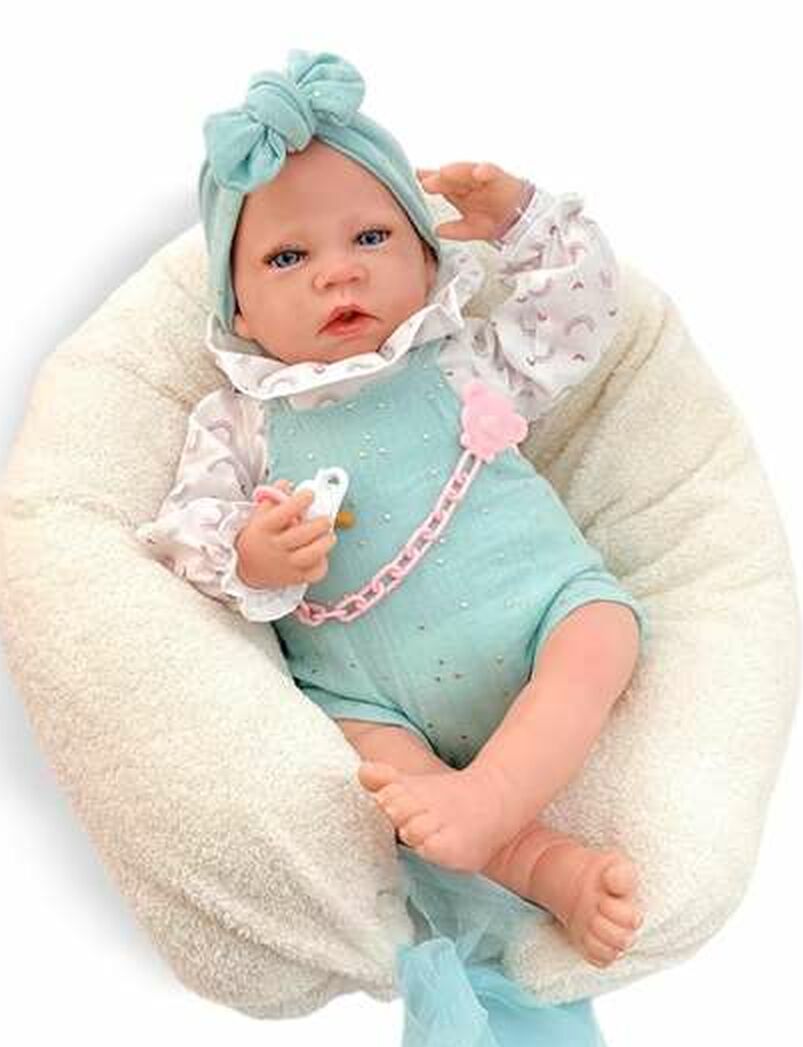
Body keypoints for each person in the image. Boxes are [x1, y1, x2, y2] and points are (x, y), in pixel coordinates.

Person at [137, 50, 649, 970]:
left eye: (371, 238)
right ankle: (547, 866)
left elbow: (575, 316)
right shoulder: (242, 420)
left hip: (538, 613)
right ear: (238, 310)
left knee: (604, 633)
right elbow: (185, 531)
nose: (338, 274)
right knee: (376, 773)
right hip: (372, 695)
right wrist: (252, 553)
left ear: (427, 255)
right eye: (288, 257)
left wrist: (523, 221)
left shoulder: (458, 361)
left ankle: (494, 794)